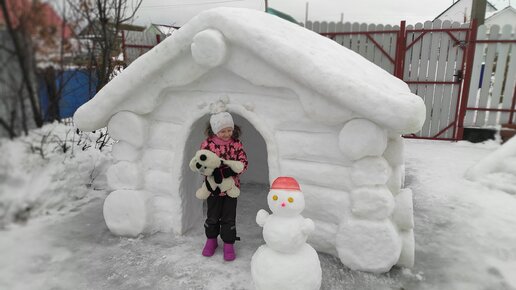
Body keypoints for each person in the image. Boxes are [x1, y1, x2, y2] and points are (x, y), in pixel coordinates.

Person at [199, 111, 248, 261]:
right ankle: (211, 240)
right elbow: (200, 164)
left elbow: (243, 163)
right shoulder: (207, 145)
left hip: (231, 188)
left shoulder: (236, 144)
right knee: (212, 217)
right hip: (213, 188)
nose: (227, 134)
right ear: (214, 130)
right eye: (222, 131)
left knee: (229, 218)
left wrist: (229, 171)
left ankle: (228, 243)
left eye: (229, 130)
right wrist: (213, 172)